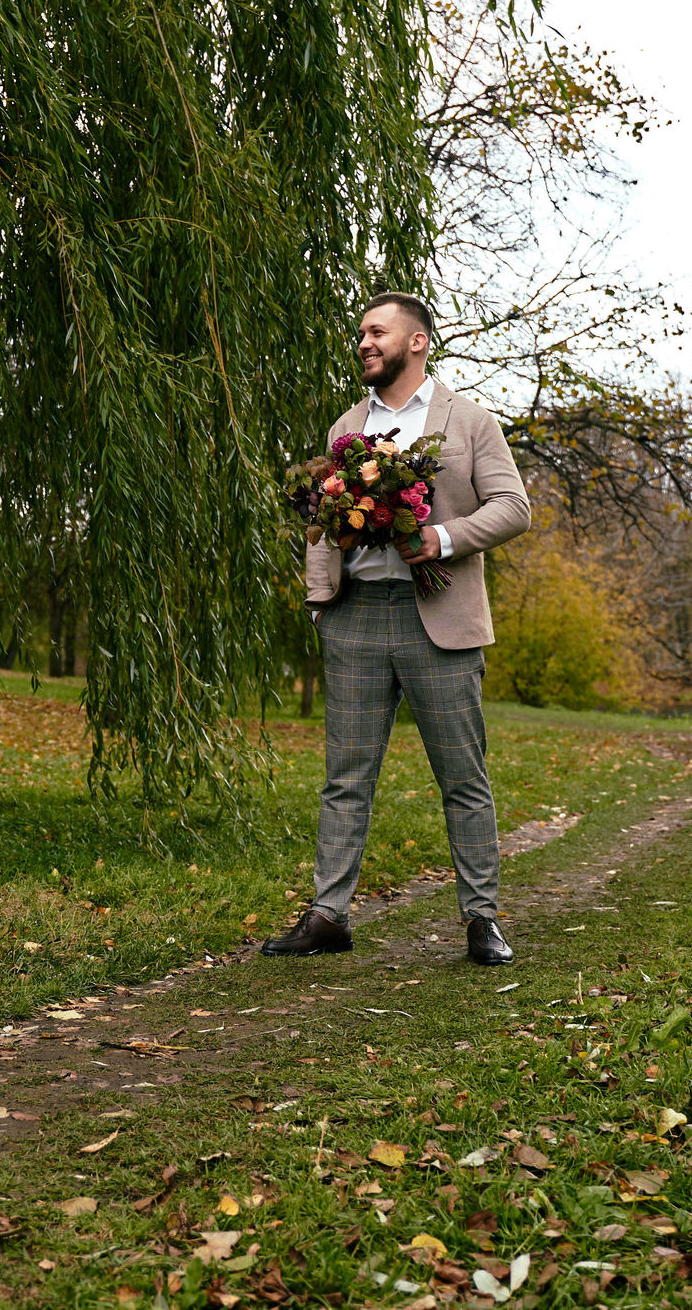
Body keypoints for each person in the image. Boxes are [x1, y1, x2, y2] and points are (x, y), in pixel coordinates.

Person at [263, 291, 531, 964]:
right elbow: (323, 520)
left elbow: (513, 507)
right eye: (361, 333)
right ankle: (328, 915)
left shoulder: (469, 421)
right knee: (345, 777)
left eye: (377, 331)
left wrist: (442, 538)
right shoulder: (346, 427)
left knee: (462, 777)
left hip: (437, 617)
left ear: (417, 341)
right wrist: (321, 602)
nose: (364, 342)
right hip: (355, 617)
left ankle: (481, 919)